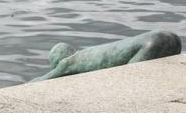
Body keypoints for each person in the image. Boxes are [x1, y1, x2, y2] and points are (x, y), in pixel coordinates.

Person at [32, 30, 181, 81]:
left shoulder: (67, 63)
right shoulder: (86, 54)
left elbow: (43, 80)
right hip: (168, 37)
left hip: (151, 43)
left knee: (130, 81)